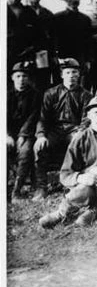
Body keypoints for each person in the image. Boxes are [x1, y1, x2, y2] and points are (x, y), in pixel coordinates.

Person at [38, 95, 97, 228]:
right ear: (89, 115)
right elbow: (66, 173)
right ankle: (62, 213)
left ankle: (93, 213)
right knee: (83, 189)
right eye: (96, 113)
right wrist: (81, 177)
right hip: (91, 186)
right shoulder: (80, 138)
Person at [34, 58, 92, 200]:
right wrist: (41, 135)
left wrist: (81, 130)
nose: (71, 75)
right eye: (67, 72)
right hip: (55, 130)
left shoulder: (85, 95)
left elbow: (87, 118)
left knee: (78, 143)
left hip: (74, 129)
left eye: (74, 72)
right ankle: (41, 187)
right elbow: (43, 118)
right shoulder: (51, 93)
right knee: (40, 147)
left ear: (79, 75)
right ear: (62, 75)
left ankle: (71, 183)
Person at [8, 62, 42, 198]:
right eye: (18, 76)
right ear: (12, 77)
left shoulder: (35, 95)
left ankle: (17, 190)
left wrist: (22, 136)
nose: (21, 79)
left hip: (28, 133)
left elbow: (33, 117)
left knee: (25, 152)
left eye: (24, 76)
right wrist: (7, 135)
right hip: (9, 133)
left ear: (28, 78)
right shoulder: (6, 94)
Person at [52, 0, 93, 81]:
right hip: (63, 57)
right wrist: (56, 57)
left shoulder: (85, 19)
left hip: (79, 58)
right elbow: (53, 39)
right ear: (66, 0)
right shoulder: (58, 18)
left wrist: (88, 60)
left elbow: (88, 41)